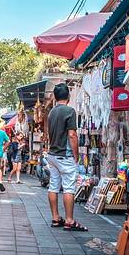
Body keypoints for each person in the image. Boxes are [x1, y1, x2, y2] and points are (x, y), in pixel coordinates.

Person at [46, 83, 88, 231]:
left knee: (54, 186)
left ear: (56, 97)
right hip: (65, 155)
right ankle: (69, 220)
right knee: (69, 188)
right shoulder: (70, 111)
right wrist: (76, 155)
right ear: (69, 96)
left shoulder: (51, 112)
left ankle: (55, 218)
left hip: (52, 155)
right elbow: (72, 135)